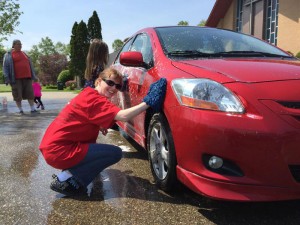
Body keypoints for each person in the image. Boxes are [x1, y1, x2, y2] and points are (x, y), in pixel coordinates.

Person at [39, 68, 167, 196]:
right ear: (99, 81)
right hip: (59, 151)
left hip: (54, 147)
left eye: (118, 86)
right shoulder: (94, 100)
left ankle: (69, 173)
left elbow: (84, 115)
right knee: (114, 153)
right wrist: (148, 102)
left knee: (96, 153)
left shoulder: (88, 94)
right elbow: (123, 116)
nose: (114, 88)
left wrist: (98, 124)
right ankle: (65, 179)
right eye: (110, 83)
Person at [3, 39, 38, 114]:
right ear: (14, 45)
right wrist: (7, 78)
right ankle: (20, 110)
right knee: (17, 94)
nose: (20, 45)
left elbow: (30, 65)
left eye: (21, 44)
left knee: (30, 93)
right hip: (15, 78)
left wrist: (33, 76)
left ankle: (33, 109)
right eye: (18, 44)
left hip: (27, 77)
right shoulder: (8, 54)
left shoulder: (24, 53)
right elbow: (5, 67)